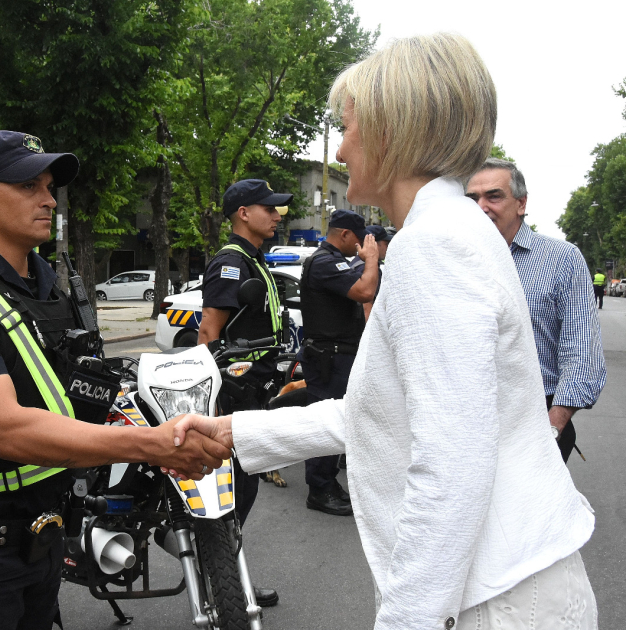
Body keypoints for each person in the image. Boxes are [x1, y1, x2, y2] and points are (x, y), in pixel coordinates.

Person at [172, 33, 597, 630]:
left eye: (348, 128)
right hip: (501, 584)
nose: (341, 149)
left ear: (390, 131)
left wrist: (405, 619)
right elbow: (371, 414)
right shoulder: (452, 229)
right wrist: (231, 432)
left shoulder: (434, 244)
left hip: (493, 595)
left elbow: (450, 465)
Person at [0, 130, 230, 630]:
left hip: (45, 537)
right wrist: (151, 445)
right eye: (29, 185)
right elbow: (6, 428)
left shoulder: (49, 288)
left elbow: (75, 387)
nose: (48, 199)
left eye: (50, 186)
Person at [466, 158, 606, 463]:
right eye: (472, 198)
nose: (481, 206)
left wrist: (552, 426)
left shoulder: (561, 259)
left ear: (521, 204)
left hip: (536, 422)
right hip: (465, 424)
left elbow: (582, 351)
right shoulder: (453, 259)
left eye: (493, 196)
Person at [196, 177, 292, 608]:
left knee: (244, 487)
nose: (276, 215)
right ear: (243, 214)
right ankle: (223, 581)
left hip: (256, 388)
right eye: (268, 208)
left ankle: (226, 577)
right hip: (236, 392)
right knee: (236, 489)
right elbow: (208, 332)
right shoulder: (231, 262)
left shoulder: (254, 259)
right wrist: (212, 394)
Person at [297, 209, 378, 516]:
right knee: (324, 423)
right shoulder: (325, 262)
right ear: (344, 234)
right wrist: (370, 259)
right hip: (329, 357)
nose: (360, 249)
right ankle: (319, 488)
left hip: (338, 355)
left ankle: (326, 482)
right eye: (358, 242)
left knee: (336, 420)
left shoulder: (335, 260)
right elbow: (365, 290)